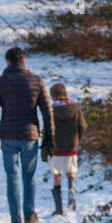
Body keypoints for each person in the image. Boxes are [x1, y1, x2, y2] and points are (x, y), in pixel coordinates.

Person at [0, 47, 54, 223]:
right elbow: (47, 112)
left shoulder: (0, 82)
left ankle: (15, 222)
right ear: (23, 61)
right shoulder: (36, 81)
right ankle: (30, 216)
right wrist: (50, 137)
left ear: (8, 62)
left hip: (8, 135)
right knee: (29, 177)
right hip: (30, 135)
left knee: (12, 178)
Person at [45, 82, 86, 215]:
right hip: (71, 147)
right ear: (66, 94)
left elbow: (46, 129)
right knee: (70, 171)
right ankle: (71, 190)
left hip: (56, 149)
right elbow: (83, 126)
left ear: (52, 96)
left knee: (57, 175)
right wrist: (77, 139)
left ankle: (58, 209)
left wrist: (46, 147)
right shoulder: (75, 109)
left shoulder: (51, 110)